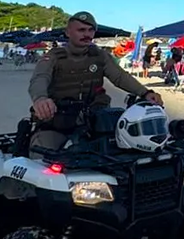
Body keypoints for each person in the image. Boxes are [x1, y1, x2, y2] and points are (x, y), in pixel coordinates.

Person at [27, 12, 162, 153]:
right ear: (68, 32)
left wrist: (145, 93)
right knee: (43, 154)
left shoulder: (100, 56)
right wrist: (40, 99)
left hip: (95, 119)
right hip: (58, 121)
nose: (87, 34)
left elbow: (120, 77)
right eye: (81, 30)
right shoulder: (54, 56)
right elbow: (39, 78)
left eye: (90, 30)